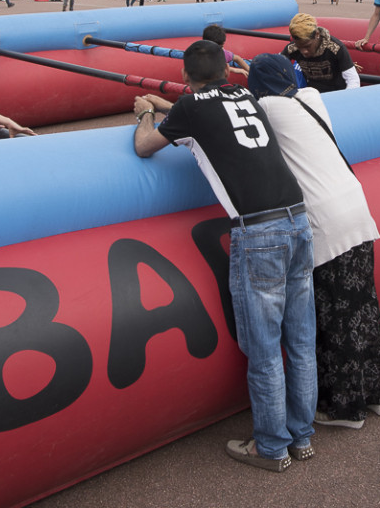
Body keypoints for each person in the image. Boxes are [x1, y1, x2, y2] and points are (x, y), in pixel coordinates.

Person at [133, 40, 316, 472]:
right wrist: (167, 106)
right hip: (298, 219)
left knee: (266, 350)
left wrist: (144, 111)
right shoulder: (244, 94)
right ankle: (302, 438)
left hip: (259, 231)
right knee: (301, 338)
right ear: (225, 70)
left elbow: (145, 146)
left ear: (185, 76)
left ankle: (271, 447)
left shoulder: (192, 108)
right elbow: (197, 112)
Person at [247, 54, 380, 429]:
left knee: (334, 314)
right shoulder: (310, 97)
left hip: (324, 220)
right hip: (355, 206)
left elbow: (229, 114)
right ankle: (378, 394)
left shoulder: (265, 108)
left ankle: (345, 409)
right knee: (364, 304)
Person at [283, 13, 360, 92]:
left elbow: (353, 80)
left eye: (307, 46)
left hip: (337, 94)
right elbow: (275, 68)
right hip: (313, 95)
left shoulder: (336, 48)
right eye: (299, 47)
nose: (304, 51)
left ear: (317, 34)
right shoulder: (292, 48)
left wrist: (344, 98)